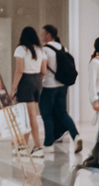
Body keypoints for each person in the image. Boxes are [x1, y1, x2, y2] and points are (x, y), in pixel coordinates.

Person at [38, 24, 81, 154]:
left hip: (49, 86)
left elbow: (43, 70)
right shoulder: (63, 48)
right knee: (62, 113)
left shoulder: (44, 50)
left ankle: (49, 143)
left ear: (48, 34)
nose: (42, 35)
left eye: (43, 33)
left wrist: (38, 82)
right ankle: (76, 135)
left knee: (46, 114)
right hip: (62, 86)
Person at [10, 25, 45, 156]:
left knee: (30, 116)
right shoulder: (40, 50)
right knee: (29, 115)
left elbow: (19, 70)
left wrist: (13, 88)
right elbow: (44, 71)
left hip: (26, 82)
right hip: (37, 81)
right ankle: (24, 145)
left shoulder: (21, 49)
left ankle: (37, 147)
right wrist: (37, 82)